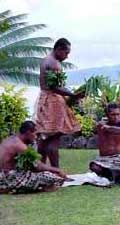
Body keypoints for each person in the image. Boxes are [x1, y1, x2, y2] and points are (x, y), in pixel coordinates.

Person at [35, 38, 84, 168]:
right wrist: (73, 95)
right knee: (54, 138)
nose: (67, 57)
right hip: (53, 103)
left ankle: (41, 170)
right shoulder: (53, 63)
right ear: (59, 49)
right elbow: (54, 87)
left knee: (44, 139)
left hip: (44, 100)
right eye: (66, 53)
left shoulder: (46, 60)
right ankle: (56, 172)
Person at [0, 121, 67, 194]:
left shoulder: (10, 139)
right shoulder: (20, 146)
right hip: (10, 178)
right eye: (35, 133)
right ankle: (13, 187)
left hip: (3, 175)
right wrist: (57, 170)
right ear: (28, 132)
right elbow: (38, 166)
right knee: (57, 178)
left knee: (39, 174)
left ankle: (8, 187)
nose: (36, 136)